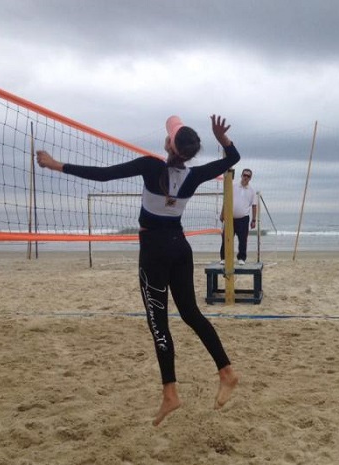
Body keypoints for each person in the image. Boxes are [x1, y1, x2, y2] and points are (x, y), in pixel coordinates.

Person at [35, 114, 240, 426]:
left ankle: (170, 393)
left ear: (170, 144)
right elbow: (234, 157)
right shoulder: (195, 175)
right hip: (180, 247)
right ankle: (226, 372)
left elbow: (103, 175)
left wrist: (56, 164)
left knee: (158, 321)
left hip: (155, 252)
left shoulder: (151, 166)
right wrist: (221, 138)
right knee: (191, 314)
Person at [219, 168, 257, 266]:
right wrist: (222, 213)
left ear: (250, 178)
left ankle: (241, 258)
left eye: (248, 176)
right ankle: (223, 258)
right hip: (230, 217)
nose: (246, 177)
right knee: (226, 238)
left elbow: (254, 206)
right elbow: (226, 199)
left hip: (243, 218)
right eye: (244, 175)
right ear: (241, 175)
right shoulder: (233, 186)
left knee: (243, 239)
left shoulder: (252, 191)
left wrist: (254, 220)